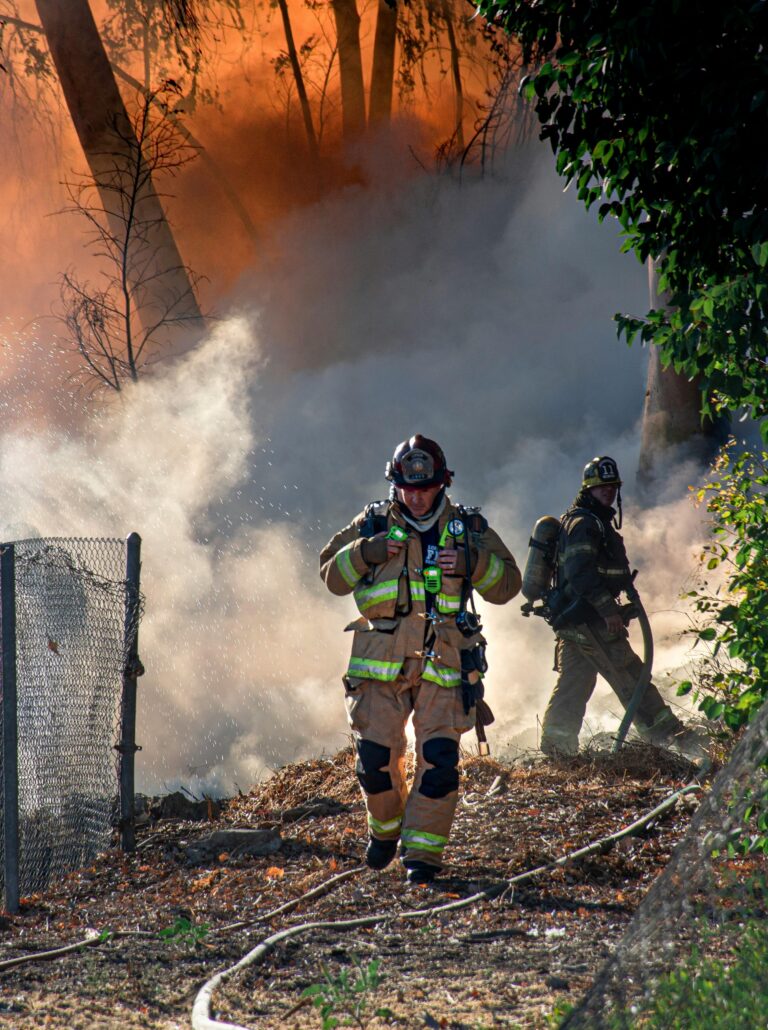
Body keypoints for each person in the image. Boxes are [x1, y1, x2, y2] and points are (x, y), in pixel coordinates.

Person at [320, 435, 521, 883]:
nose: (415, 496)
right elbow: (330, 576)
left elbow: (509, 585)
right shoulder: (372, 522)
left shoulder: (468, 528)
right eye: (406, 488)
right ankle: (386, 830)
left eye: (425, 488)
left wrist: (472, 562)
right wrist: (365, 552)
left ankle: (422, 856)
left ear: (443, 483)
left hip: (445, 663)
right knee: (375, 762)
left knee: (439, 761)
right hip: (379, 667)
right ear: (395, 485)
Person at [539, 455, 704, 758]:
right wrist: (608, 610)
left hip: (577, 623)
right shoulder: (585, 525)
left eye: (612, 487)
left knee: (575, 683)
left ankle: (556, 749)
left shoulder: (594, 522)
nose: (609, 492)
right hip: (590, 621)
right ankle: (671, 737)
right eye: (602, 488)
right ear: (589, 489)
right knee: (631, 675)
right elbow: (581, 574)